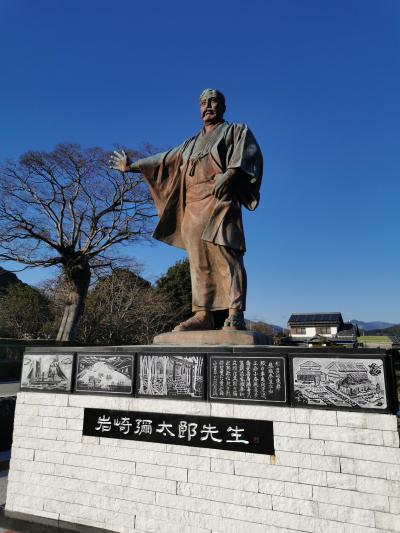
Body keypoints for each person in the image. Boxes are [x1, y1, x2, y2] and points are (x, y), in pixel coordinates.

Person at [109, 89, 263, 331]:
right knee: (198, 262)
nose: (208, 106)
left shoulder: (236, 131)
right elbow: (164, 159)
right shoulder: (190, 144)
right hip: (192, 206)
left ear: (223, 106)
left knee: (226, 257)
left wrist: (232, 174)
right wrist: (132, 166)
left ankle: (235, 314)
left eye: (213, 101)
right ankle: (203, 314)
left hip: (220, 201)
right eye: (203, 102)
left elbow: (248, 155)